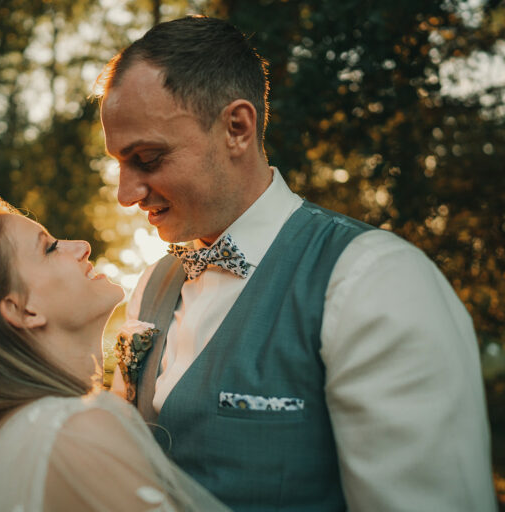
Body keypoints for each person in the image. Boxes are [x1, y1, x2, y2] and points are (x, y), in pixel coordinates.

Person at [99, 15, 496, 511]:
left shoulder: (372, 280)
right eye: (119, 162)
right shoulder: (151, 284)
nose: (125, 194)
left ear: (237, 128)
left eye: (149, 158)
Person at [0, 195, 230, 512]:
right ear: (23, 310)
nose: (82, 246)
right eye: (50, 248)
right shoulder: (73, 432)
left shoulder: (12, 440)